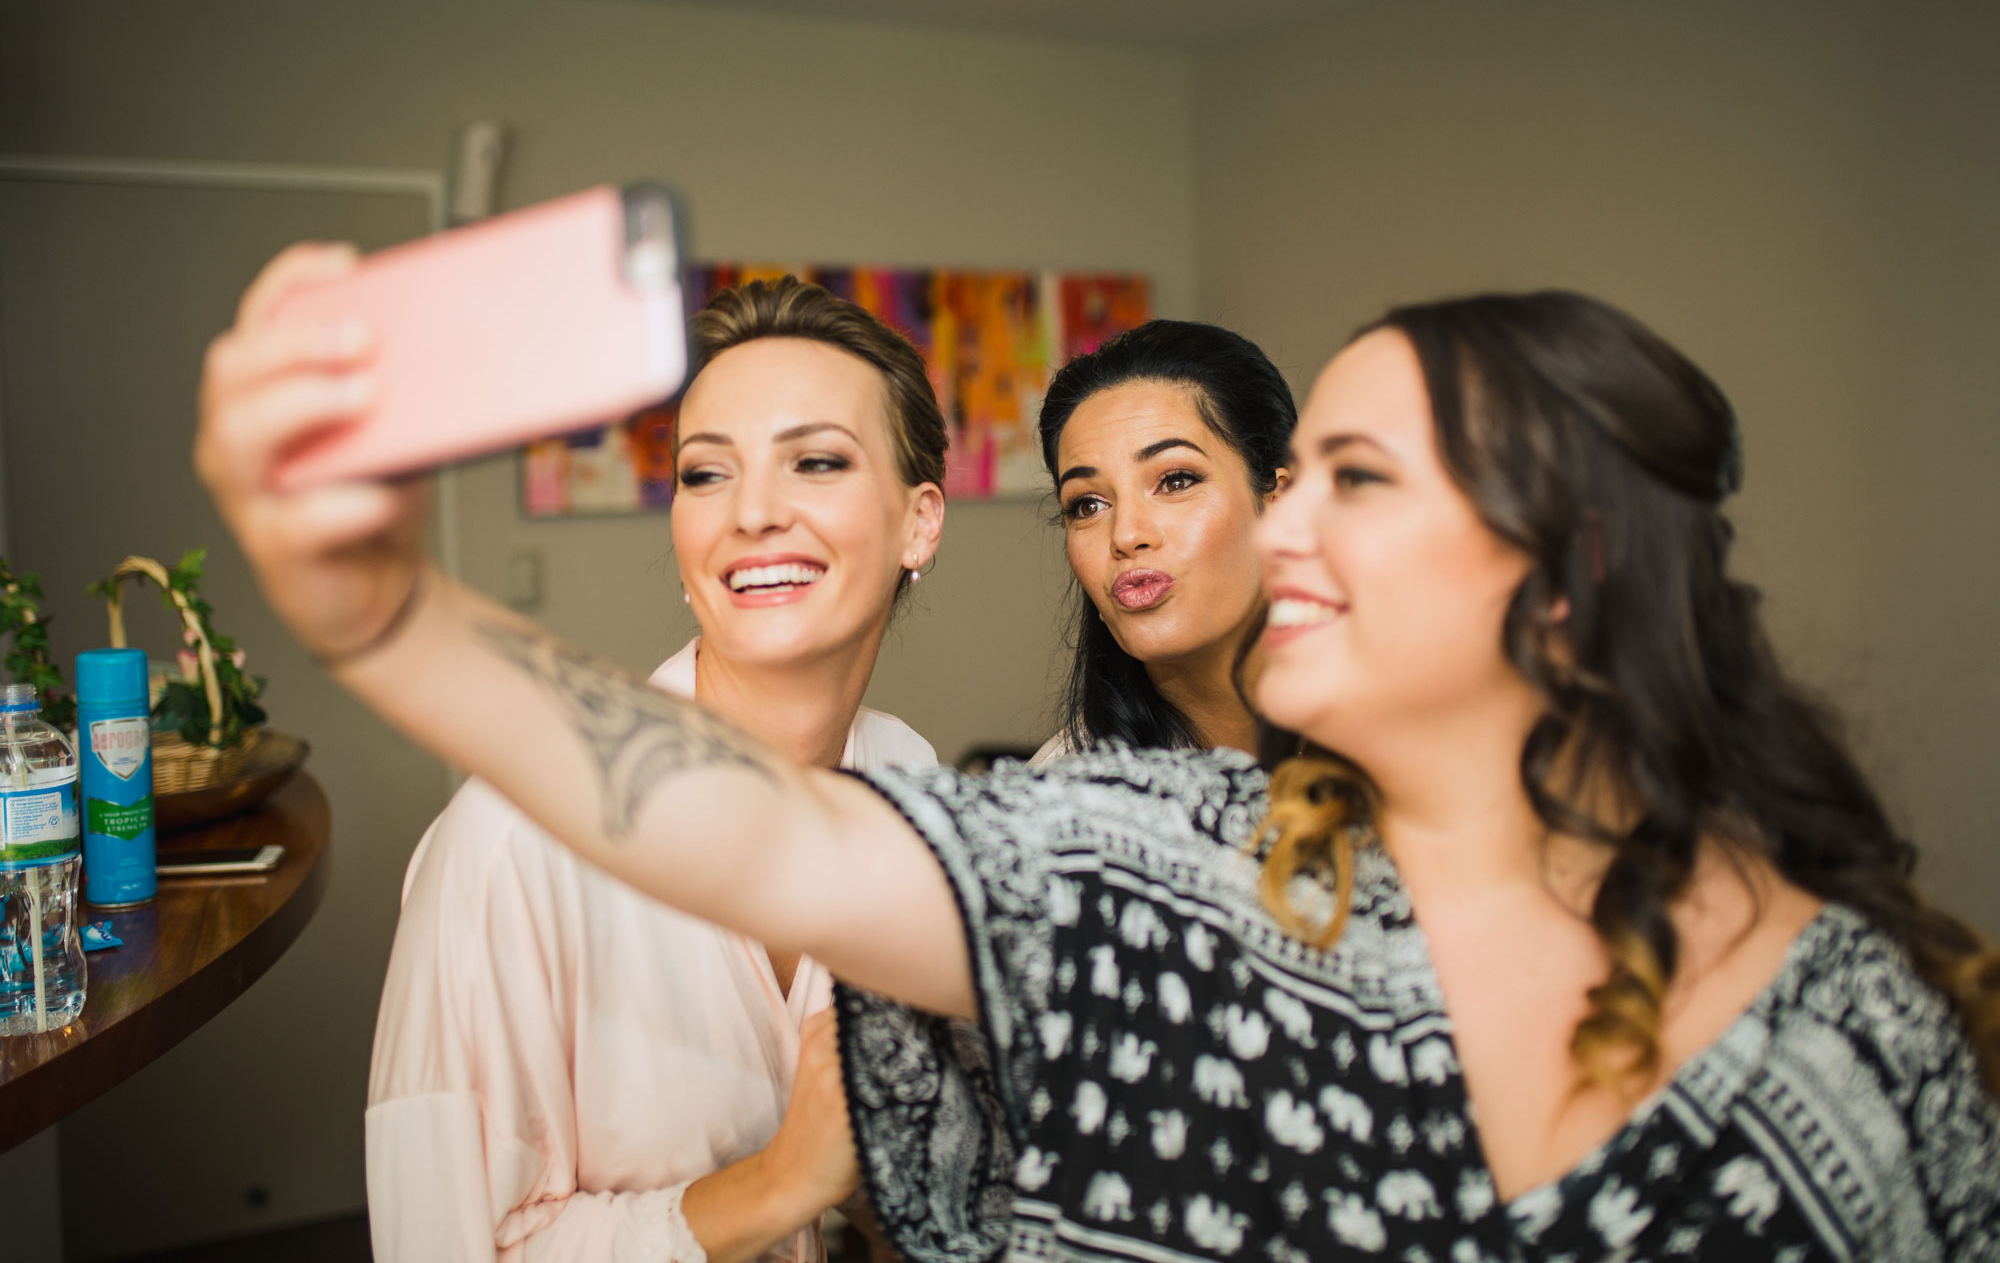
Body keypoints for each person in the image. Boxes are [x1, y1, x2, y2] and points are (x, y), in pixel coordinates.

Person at [200, 259, 2000, 1261]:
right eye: (707, 469)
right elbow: (722, 812)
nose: (1254, 532)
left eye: (1340, 477)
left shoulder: (1861, 1025)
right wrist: (381, 613)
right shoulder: (1150, 862)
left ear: (1567, 573)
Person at [363, 275, 946, 1262]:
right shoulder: (512, 846)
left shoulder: (913, 783)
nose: (752, 512)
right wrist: (777, 1181)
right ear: (683, 549)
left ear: (918, 522)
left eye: (814, 460)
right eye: (706, 474)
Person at [1032, 321, 1296, 762]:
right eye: (1087, 505)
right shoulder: (1067, 798)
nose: (1127, 535)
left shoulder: (1425, 736)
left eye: (1175, 481)